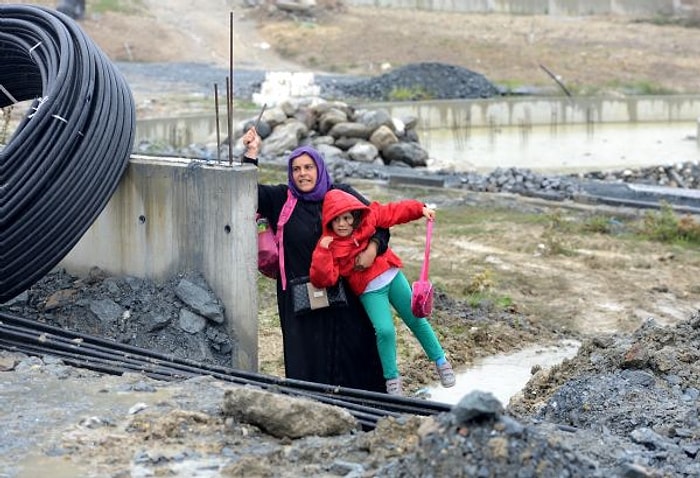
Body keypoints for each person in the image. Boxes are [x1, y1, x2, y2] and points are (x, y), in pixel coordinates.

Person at [241, 127, 388, 393]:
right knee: (306, 366)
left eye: (308, 167)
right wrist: (252, 154)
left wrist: (372, 250)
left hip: (344, 298)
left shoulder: (340, 194)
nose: (303, 174)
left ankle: (365, 412)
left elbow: (378, 222)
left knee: (353, 356)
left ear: (319, 169)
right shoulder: (281, 199)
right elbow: (244, 191)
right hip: (299, 301)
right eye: (296, 169)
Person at [309, 188, 456, 396]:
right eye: (336, 219)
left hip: (392, 275)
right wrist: (323, 251)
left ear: (354, 217)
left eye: (346, 218)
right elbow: (324, 279)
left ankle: (441, 361)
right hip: (369, 291)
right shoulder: (330, 246)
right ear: (328, 221)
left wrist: (420, 209)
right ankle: (392, 380)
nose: (342, 224)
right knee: (385, 331)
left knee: (416, 318)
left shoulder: (369, 218)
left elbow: (394, 211)